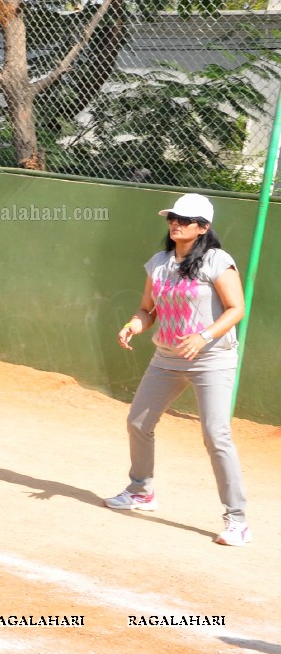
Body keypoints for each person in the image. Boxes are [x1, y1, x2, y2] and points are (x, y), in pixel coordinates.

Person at [106, 193, 249, 546]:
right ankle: (141, 490)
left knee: (216, 435)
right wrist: (133, 324)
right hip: (167, 358)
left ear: (203, 228)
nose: (175, 223)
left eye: (185, 220)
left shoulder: (218, 261)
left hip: (211, 358)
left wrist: (203, 336)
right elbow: (146, 309)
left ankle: (237, 519)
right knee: (138, 422)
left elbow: (236, 309)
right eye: (172, 218)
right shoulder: (159, 262)